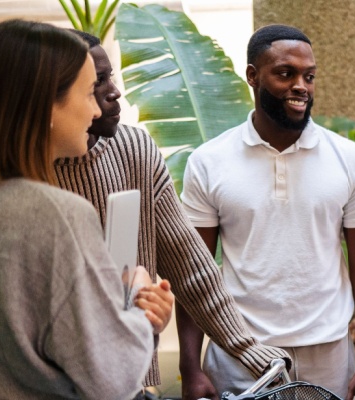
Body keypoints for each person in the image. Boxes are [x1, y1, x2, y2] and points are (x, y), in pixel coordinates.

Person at [0, 20, 174, 399]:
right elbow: (111, 381)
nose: (96, 110)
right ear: (44, 103)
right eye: (86, 94)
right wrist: (139, 313)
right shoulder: (59, 214)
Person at [57, 30, 291, 395]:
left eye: (110, 77)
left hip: (130, 380)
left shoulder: (133, 148)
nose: (113, 91)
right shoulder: (24, 180)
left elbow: (190, 266)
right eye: (96, 84)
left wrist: (248, 350)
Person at [179, 24, 355, 399]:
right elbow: (195, 270)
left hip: (329, 355)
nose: (301, 86)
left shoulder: (350, 159)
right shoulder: (208, 162)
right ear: (252, 76)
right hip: (239, 354)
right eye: (285, 73)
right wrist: (190, 368)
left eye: (309, 76)